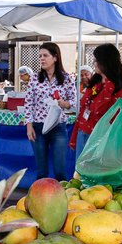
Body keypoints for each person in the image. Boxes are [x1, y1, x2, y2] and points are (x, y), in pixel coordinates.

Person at [24, 42, 76, 180]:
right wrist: (29, 125)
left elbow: (74, 102)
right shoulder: (35, 78)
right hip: (38, 127)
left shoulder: (66, 79)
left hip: (58, 127)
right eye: (40, 56)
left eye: (45, 55)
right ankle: (41, 199)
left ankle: (63, 197)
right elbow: (28, 102)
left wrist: (63, 103)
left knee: (60, 170)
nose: (42, 59)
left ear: (55, 57)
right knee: (41, 171)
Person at [70, 43, 122, 159]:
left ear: (106, 61)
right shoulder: (94, 82)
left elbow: (101, 111)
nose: (94, 63)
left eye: (96, 60)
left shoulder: (119, 87)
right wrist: (74, 136)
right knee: (79, 173)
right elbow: (83, 110)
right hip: (83, 133)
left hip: (102, 138)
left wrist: (108, 84)